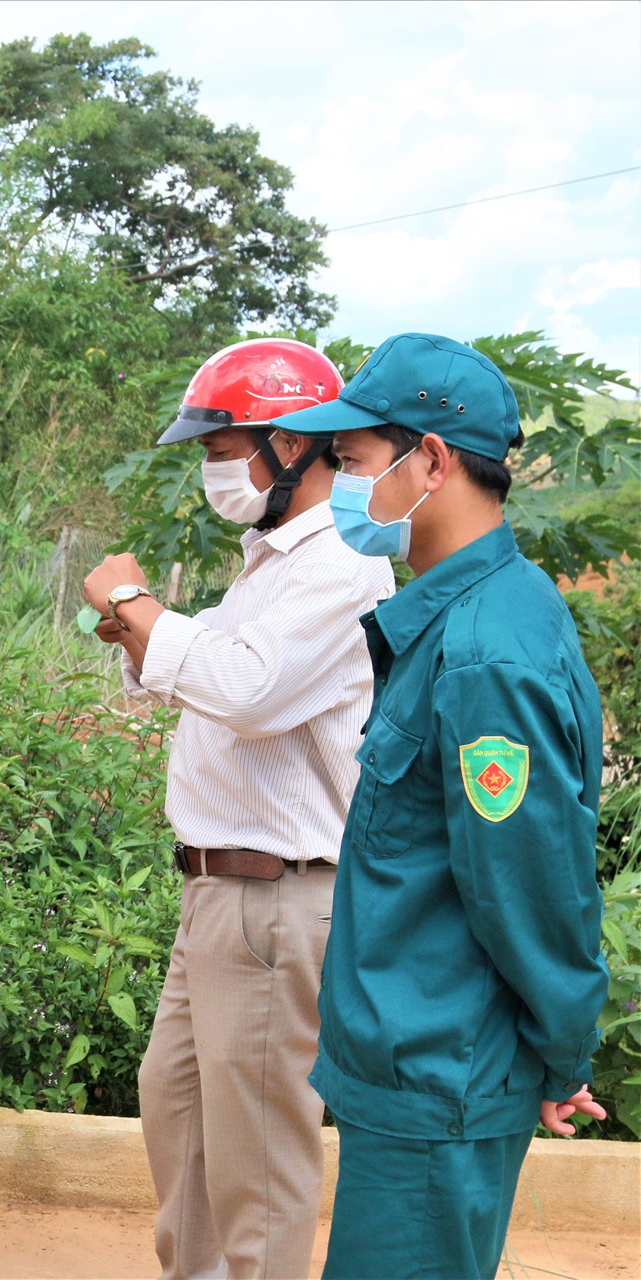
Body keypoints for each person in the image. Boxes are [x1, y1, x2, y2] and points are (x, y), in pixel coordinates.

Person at [270, 333, 607, 1279]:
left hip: (439, 1073)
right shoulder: (472, 616)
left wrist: (559, 1049)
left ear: (432, 460)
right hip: (424, 1067)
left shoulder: (488, 651)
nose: (340, 483)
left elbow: (529, 884)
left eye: (354, 460)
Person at [81, 338, 394, 1279]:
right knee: (180, 1113)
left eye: (222, 449)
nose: (212, 471)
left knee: (256, 1157)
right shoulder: (272, 559)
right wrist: (140, 630)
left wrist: (134, 598)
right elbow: (190, 670)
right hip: (221, 897)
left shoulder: (339, 562)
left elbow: (247, 688)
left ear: (293, 444)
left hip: (275, 895)